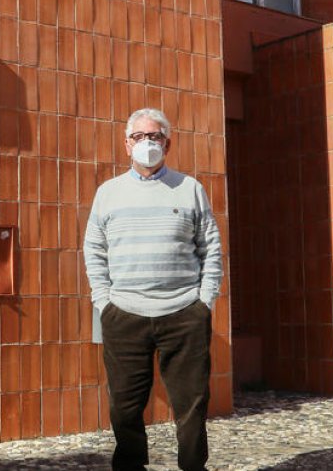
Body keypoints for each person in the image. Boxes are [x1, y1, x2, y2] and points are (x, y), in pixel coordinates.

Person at [83, 108, 223, 471]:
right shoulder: (108, 193)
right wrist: (104, 301)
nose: (148, 143)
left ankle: (194, 466)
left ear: (168, 143)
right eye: (140, 137)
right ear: (126, 144)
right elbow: (94, 249)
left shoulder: (190, 188)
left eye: (155, 136)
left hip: (183, 314)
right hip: (124, 314)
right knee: (124, 406)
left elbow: (211, 248)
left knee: (192, 404)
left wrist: (203, 302)